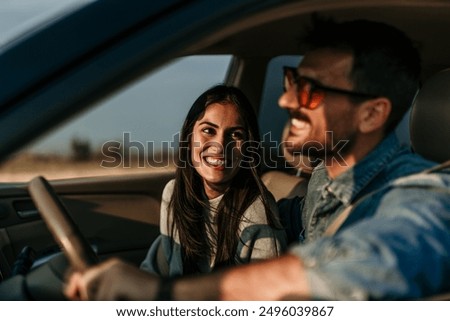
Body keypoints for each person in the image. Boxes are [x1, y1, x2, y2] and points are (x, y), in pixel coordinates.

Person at [64, 18, 450, 300]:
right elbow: (299, 220)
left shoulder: (423, 196)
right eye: (290, 83)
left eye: (311, 92)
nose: (285, 101)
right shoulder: (324, 179)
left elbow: (369, 264)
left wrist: (168, 295)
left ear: (371, 114)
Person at [140, 84, 287, 276]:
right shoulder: (174, 192)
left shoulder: (257, 212)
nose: (219, 146)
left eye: (235, 135)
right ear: (189, 136)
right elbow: (159, 270)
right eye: (209, 131)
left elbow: (266, 296)